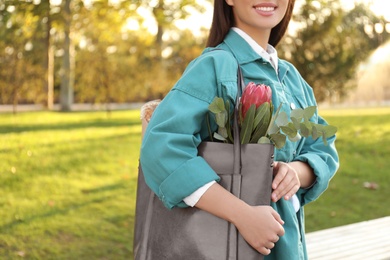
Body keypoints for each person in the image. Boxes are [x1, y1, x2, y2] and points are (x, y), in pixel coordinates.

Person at [140, 0, 339, 259]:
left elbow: (322, 148)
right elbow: (161, 148)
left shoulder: (292, 78)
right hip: (225, 244)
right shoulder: (214, 67)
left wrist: (295, 172)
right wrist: (242, 215)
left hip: (286, 244)